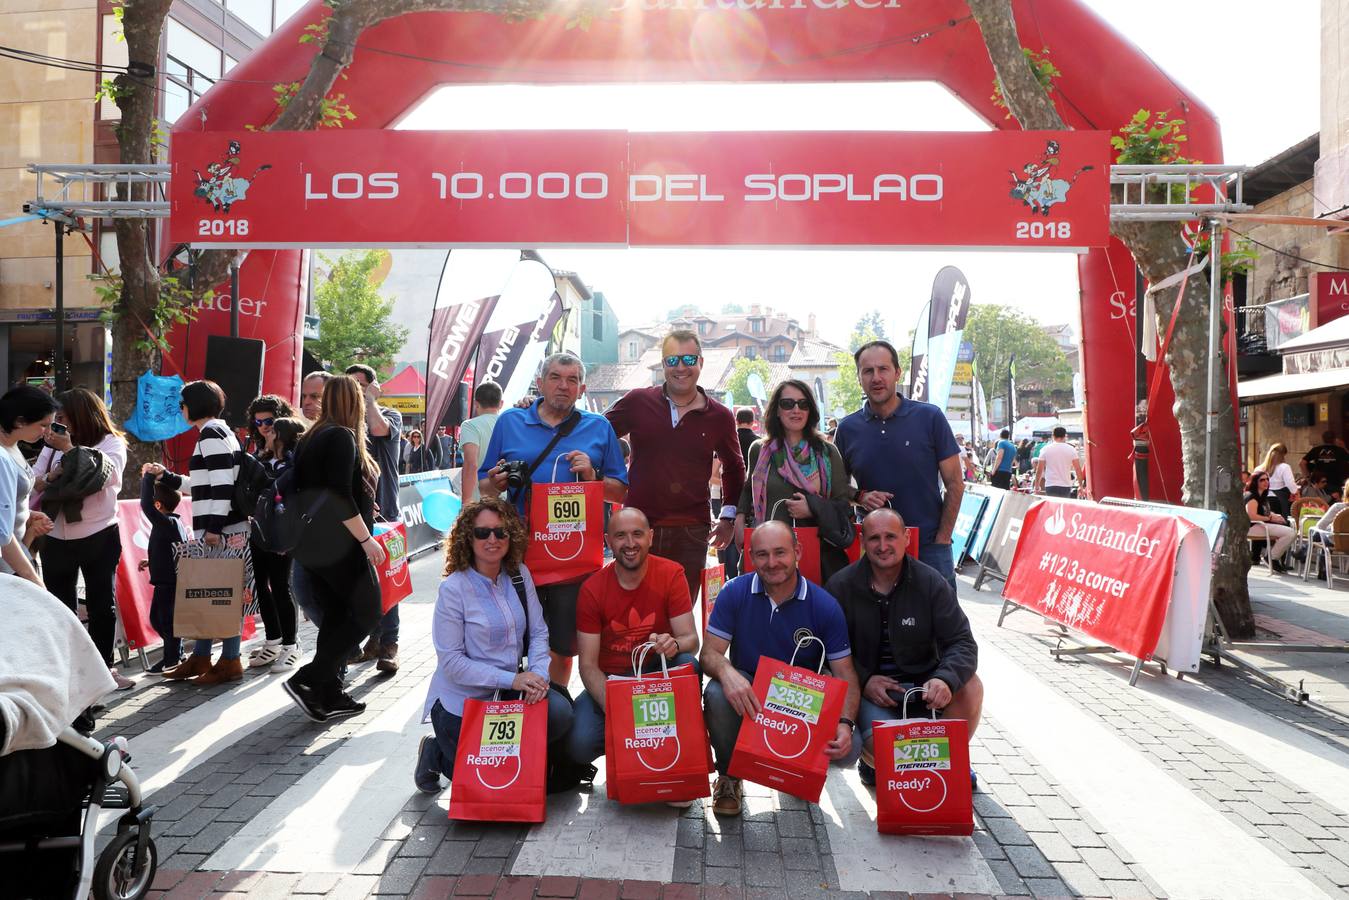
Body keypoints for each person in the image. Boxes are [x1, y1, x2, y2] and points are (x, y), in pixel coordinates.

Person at [480, 352, 628, 686]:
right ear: (540, 382)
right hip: (519, 555)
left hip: (573, 559)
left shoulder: (598, 427)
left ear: (582, 387)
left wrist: (592, 475)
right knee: (513, 642)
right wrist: (497, 482)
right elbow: (485, 486)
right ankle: (519, 706)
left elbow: (620, 492)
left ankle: (555, 705)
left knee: (563, 646)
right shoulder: (510, 422)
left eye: (572, 379)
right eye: (556, 377)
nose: (563, 386)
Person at [413, 497, 573, 794]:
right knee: (484, 784)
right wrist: (512, 678)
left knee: (560, 715)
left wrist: (538, 676)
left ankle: (523, 754)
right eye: (482, 532)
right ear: (466, 538)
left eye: (501, 532)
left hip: (514, 690)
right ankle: (435, 752)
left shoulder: (519, 576)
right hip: (464, 703)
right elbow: (453, 664)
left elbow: (538, 633)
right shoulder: (453, 589)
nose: (493, 539)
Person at [700, 521, 860, 816]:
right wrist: (727, 672)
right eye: (762, 554)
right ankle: (729, 777)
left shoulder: (824, 605)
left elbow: (845, 673)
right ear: (750, 555)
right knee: (718, 694)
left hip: (801, 698)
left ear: (797, 552)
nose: (772, 563)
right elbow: (709, 653)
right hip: (751, 689)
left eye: (780, 553)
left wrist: (845, 723)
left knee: (851, 748)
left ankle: (798, 766)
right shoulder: (734, 591)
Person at [825, 509, 982, 786]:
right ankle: (874, 763)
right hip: (871, 696)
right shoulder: (841, 586)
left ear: (907, 538)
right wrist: (863, 680)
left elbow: (963, 642)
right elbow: (825, 651)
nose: (883, 546)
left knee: (972, 686)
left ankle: (953, 761)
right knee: (893, 758)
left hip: (924, 690)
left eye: (890, 537)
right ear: (862, 540)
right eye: (874, 538)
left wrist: (944, 679)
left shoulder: (931, 582)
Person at [605, 329, 745, 605]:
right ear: (663, 364)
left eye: (689, 359)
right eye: (672, 360)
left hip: (691, 530)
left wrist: (728, 517)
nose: (681, 367)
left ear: (701, 363)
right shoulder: (637, 401)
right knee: (633, 612)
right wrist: (612, 480)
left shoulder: (719, 415)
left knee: (678, 614)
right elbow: (595, 434)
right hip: (639, 526)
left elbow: (734, 466)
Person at [284, 375, 388, 722]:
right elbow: (339, 495)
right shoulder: (341, 437)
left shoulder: (311, 436)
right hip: (339, 545)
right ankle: (309, 679)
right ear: (357, 403)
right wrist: (365, 538)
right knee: (368, 612)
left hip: (312, 545)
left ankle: (328, 693)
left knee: (337, 617)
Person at [568, 508, 700, 777]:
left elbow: (691, 640)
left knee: (688, 664)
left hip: (655, 676)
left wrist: (673, 643)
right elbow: (588, 667)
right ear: (607, 541)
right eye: (620, 536)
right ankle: (634, 747)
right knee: (577, 746)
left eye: (637, 534)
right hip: (612, 682)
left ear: (650, 537)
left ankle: (674, 752)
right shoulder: (592, 589)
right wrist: (622, 713)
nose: (630, 544)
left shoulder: (672, 573)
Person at [834, 340, 964, 590]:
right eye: (868, 371)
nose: (876, 377)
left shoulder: (930, 417)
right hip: (875, 548)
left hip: (929, 547)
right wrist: (860, 496)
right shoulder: (848, 429)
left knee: (941, 626)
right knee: (878, 625)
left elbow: (955, 484)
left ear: (897, 373)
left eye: (883, 369)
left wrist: (942, 539)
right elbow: (836, 489)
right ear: (859, 378)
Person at [33, 388, 131, 688]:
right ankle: (71, 671)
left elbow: (103, 478)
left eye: (62, 418)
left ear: (81, 416)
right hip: (55, 535)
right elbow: (35, 480)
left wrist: (69, 450)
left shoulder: (111, 443)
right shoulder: (52, 445)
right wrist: (49, 474)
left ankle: (103, 670)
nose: (56, 425)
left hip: (99, 534)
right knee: (62, 607)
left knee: (101, 605)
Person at [158, 380, 250, 686]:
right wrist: (167, 477)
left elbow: (222, 485)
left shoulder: (211, 434)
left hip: (220, 530)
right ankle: (205, 656)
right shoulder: (221, 432)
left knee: (221, 595)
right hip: (224, 527)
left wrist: (213, 528)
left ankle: (227, 659)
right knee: (216, 594)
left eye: (182, 403)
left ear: (193, 405)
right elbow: (206, 484)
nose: (181, 409)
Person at [736, 379, 854, 584]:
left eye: (803, 404)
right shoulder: (760, 450)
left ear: (811, 411)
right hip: (769, 558)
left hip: (817, 557)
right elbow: (749, 489)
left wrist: (813, 508)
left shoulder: (827, 452)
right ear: (777, 410)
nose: (796, 410)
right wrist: (738, 519)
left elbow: (843, 505)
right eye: (788, 404)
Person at [346, 364, 404, 674]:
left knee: (387, 582)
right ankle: (370, 640)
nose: (355, 390)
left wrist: (370, 401)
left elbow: (380, 430)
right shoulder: (343, 423)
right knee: (358, 583)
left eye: (361, 385)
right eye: (349, 385)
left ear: (373, 387)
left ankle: (388, 644)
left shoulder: (390, 415)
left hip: (385, 514)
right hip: (351, 516)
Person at [246, 416, 306, 673]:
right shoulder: (259, 460)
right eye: (261, 425)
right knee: (261, 584)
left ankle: (291, 645)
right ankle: (273, 640)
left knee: (280, 586)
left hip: (282, 535)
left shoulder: (293, 466)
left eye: (271, 428)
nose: (265, 431)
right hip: (258, 531)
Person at [0, 385, 56, 585]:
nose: (47, 432)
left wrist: (27, 515)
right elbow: (3, 534)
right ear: (19, 421)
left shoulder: (13, 444)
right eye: (43, 425)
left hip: (17, 556)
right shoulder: (1, 457)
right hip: (9, 564)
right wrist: (33, 580)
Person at [137, 465, 189, 672]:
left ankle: (172, 660)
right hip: (164, 581)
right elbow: (172, 551)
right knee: (159, 621)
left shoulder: (167, 522)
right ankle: (176, 654)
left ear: (158, 505)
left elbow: (145, 506)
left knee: (167, 623)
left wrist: (147, 479)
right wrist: (152, 560)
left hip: (169, 583)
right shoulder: (171, 524)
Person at [460, 382, 503, 504]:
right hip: (506, 496)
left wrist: (466, 502)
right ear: (501, 403)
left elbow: (471, 463)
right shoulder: (509, 423)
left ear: (476, 404)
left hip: (479, 499)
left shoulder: (470, 425)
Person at [1245, 470, 1294, 572]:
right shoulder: (1252, 496)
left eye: (1267, 479)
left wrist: (1274, 516)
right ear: (1255, 482)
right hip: (1251, 527)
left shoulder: (1261, 495)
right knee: (1290, 533)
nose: (1266, 482)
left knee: (1289, 528)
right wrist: (1270, 518)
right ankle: (1272, 558)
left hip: (1260, 525)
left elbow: (1263, 511)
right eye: (1262, 480)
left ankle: (1274, 558)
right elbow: (1251, 516)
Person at [1033, 426, 1086, 499]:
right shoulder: (1071, 450)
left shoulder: (1045, 449)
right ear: (1065, 436)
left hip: (1051, 484)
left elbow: (1039, 470)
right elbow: (1077, 469)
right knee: (1063, 508)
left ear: (1053, 436)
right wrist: (1081, 486)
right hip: (1066, 484)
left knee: (1052, 508)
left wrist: (1036, 486)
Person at [1259, 443, 1297, 518]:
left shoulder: (1259, 468)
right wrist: (1296, 492)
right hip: (1278, 500)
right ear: (1283, 455)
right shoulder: (1284, 467)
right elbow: (1291, 485)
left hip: (1262, 499)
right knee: (1279, 524)